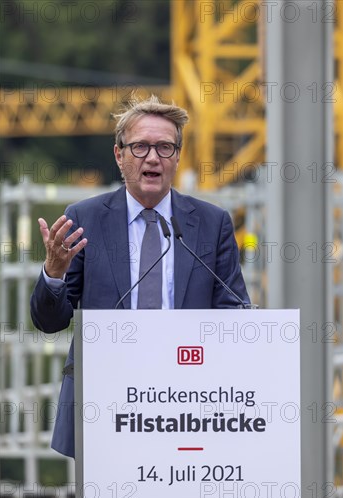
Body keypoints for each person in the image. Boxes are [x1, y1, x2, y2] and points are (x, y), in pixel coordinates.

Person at [30, 95, 250, 458]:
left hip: (188, 403)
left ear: (178, 157)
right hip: (104, 401)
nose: (153, 158)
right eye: (140, 147)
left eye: (165, 147)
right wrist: (54, 273)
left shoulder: (212, 224)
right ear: (119, 155)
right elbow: (50, 322)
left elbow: (232, 313)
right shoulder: (85, 218)